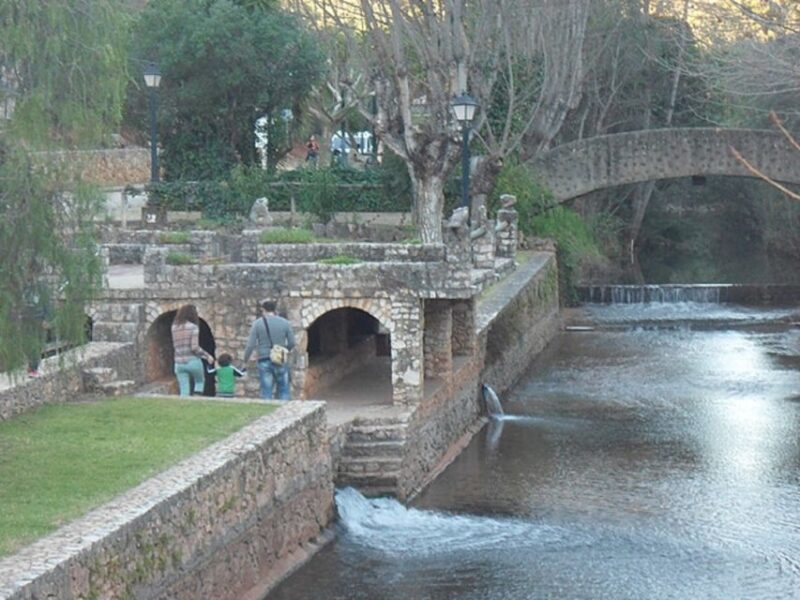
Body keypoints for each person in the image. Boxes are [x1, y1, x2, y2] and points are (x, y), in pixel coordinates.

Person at [243, 300, 296, 400]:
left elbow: (250, 344)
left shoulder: (257, 324)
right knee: (284, 389)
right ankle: (284, 412)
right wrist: (284, 349)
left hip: (264, 358)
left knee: (266, 390)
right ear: (275, 309)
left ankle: (268, 410)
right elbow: (292, 342)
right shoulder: (285, 323)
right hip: (280, 358)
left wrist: (245, 359)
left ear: (263, 310)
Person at [171, 304, 214, 396]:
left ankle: (184, 406)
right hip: (192, 361)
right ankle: (196, 401)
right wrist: (207, 356)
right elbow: (194, 347)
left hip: (178, 363)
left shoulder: (174, 327)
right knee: (199, 381)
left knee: (184, 388)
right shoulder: (193, 327)